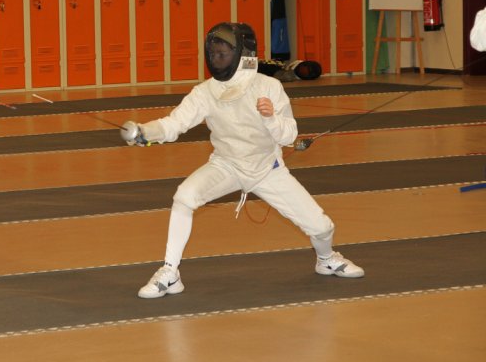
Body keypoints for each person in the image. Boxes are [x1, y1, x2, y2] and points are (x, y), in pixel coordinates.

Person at [121, 22, 363, 299]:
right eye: (213, 53)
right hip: (226, 165)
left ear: (242, 55)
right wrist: (144, 132)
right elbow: (174, 124)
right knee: (184, 196)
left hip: (267, 169)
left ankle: (326, 259)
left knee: (322, 227)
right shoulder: (205, 92)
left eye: (223, 53)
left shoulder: (269, 87)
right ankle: (170, 272)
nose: (216, 59)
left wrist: (270, 117)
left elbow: (289, 136)